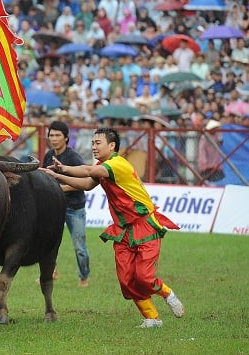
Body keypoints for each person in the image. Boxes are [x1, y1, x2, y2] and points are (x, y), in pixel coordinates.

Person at [39, 128, 185, 328]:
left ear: (112, 145)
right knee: (126, 280)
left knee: (144, 277)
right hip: (123, 230)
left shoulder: (117, 164)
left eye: (97, 143)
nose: (93, 147)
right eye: (92, 143)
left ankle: (167, 293)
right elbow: (87, 184)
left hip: (144, 226)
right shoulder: (102, 166)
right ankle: (152, 318)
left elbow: (89, 172)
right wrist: (56, 178)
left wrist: (62, 169)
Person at [42, 121, 90, 287]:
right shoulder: (48, 156)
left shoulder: (73, 158)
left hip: (74, 207)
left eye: (58, 135)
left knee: (79, 247)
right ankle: (51, 272)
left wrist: (58, 188)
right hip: (54, 208)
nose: (54, 139)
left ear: (66, 138)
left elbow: (84, 181)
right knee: (49, 243)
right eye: (51, 135)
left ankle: (84, 276)